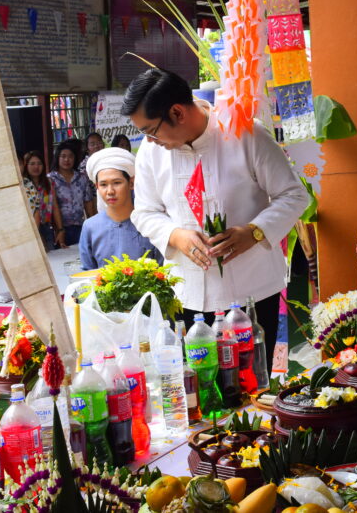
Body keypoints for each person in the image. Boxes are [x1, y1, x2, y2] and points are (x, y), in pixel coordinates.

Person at [123, 68, 309, 360]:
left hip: (252, 292)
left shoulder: (246, 134)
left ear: (177, 112)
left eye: (151, 130)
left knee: (252, 378)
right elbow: (145, 211)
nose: (149, 140)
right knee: (198, 381)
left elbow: (294, 195)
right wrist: (175, 235)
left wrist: (254, 232)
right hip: (187, 295)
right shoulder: (151, 152)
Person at [80, 147, 161, 270]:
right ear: (97, 187)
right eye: (103, 185)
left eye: (117, 183)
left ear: (131, 183)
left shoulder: (149, 223)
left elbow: (163, 272)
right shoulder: (90, 227)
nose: (110, 191)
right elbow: (87, 274)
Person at [48, 140, 94, 245]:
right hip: (58, 229)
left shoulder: (82, 178)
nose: (67, 160)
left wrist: (93, 227)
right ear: (57, 158)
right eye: (63, 156)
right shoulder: (51, 179)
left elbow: (88, 203)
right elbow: (53, 206)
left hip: (80, 227)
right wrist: (60, 229)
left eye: (70, 156)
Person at [21, 150, 66, 251]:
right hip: (30, 228)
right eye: (32, 164)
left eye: (39, 163)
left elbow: (54, 206)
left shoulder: (48, 182)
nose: (36, 167)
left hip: (46, 227)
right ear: (26, 165)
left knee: (51, 255)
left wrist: (60, 229)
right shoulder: (23, 185)